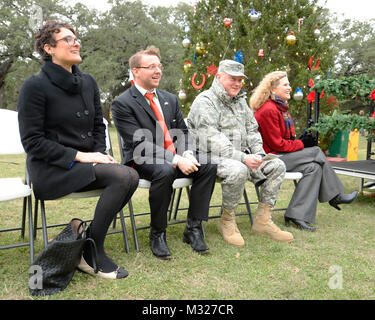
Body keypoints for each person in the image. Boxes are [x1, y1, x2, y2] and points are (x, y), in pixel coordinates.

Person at [18, 20, 139, 280]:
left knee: (130, 175)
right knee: (123, 176)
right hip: (52, 169)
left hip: (87, 164)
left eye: (76, 38)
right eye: (68, 39)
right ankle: (92, 251)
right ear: (49, 48)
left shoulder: (88, 82)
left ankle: (89, 247)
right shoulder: (34, 87)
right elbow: (32, 142)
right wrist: (82, 157)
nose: (76, 42)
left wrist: (100, 154)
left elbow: (98, 126)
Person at [111, 46, 217, 259]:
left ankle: (193, 229)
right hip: (141, 160)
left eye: (159, 66)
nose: (158, 71)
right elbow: (140, 143)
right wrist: (176, 159)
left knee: (208, 166)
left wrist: (186, 153)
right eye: (151, 67)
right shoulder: (122, 103)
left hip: (174, 158)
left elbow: (183, 133)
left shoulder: (170, 98)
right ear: (136, 71)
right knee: (165, 170)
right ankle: (157, 233)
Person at [187, 60, 294, 245]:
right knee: (238, 169)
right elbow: (211, 138)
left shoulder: (240, 102)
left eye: (240, 80)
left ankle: (263, 221)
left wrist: (259, 155)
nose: (237, 84)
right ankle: (227, 221)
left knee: (276, 165)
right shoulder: (205, 101)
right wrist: (243, 158)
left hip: (243, 156)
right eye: (232, 79)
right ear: (219, 77)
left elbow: (253, 130)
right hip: (209, 157)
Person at [250, 71, 358, 231]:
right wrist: (302, 144)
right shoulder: (268, 110)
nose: (289, 87)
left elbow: (285, 140)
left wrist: (299, 140)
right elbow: (277, 144)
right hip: (269, 160)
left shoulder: (281, 108)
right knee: (315, 152)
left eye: (288, 84)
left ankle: (296, 215)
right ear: (273, 89)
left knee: (313, 168)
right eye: (285, 85)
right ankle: (335, 196)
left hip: (281, 156)